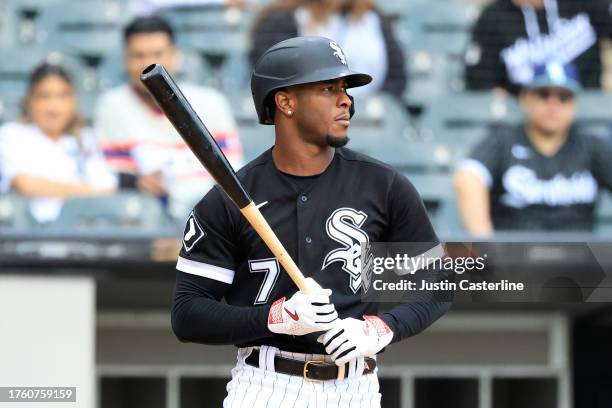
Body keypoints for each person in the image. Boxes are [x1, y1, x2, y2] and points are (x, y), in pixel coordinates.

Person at [171, 37, 450, 406]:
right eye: (327, 88)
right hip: (265, 386)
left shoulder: (383, 186)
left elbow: (439, 282)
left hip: (356, 387)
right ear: (284, 101)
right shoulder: (231, 198)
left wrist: (382, 328)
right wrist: (274, 317)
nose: (345, 99)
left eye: (345, 88)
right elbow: (188, 313)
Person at [94, 15, 243, 219]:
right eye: (138, 55)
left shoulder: (212, 103)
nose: (147, 63)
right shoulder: (111, 106)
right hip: (142, 223)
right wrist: (138, 182)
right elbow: (113, 180)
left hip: (211, 222)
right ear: (125, 61)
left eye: (157, 54)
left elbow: (232, 178)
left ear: (175, 56)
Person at [454, 62, 612, 236]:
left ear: (574, 104)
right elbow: (468, 178)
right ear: (526, 99)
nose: (553, 105)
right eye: (543, 95)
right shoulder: (502, 141)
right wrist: (486, 248)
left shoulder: (591, 146)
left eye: (564, 97)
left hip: (582, 258)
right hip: (512, 257)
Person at [0, 63, 117, 224]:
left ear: (73, 101)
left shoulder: (86, 138)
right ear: (29, 101)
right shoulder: (11, 133)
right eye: (44, 96)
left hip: (80, 231)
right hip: (27, 232)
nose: (53, 107)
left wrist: (51, 188)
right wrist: (83, 190)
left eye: (63, 96)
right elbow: (24, 183)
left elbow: (107, 189)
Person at [248, 0, 407, 98]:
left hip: (369, 123)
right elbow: (272, 76)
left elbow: (396, 77)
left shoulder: (374, 18)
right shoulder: (281, 18)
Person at [464, 0, 612, 94]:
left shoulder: (584, 3)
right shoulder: (493, 17)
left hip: (587, 113)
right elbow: (479, 81)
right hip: (522, 123)